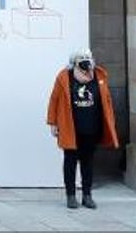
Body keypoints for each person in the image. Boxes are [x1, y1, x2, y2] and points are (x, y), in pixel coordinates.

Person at [46, 48, 118, 210]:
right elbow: (54, 99)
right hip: (70, 127)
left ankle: (87, 195)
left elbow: (106, 100)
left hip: (92, 127)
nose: (86, 60)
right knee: (70, 161)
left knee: (88, 162)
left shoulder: (99, 76)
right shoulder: (64, 77)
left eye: (88, 57)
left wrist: (110, 121)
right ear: (74, 61)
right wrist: (53, 123)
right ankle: (71, 196)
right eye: (82, 58)